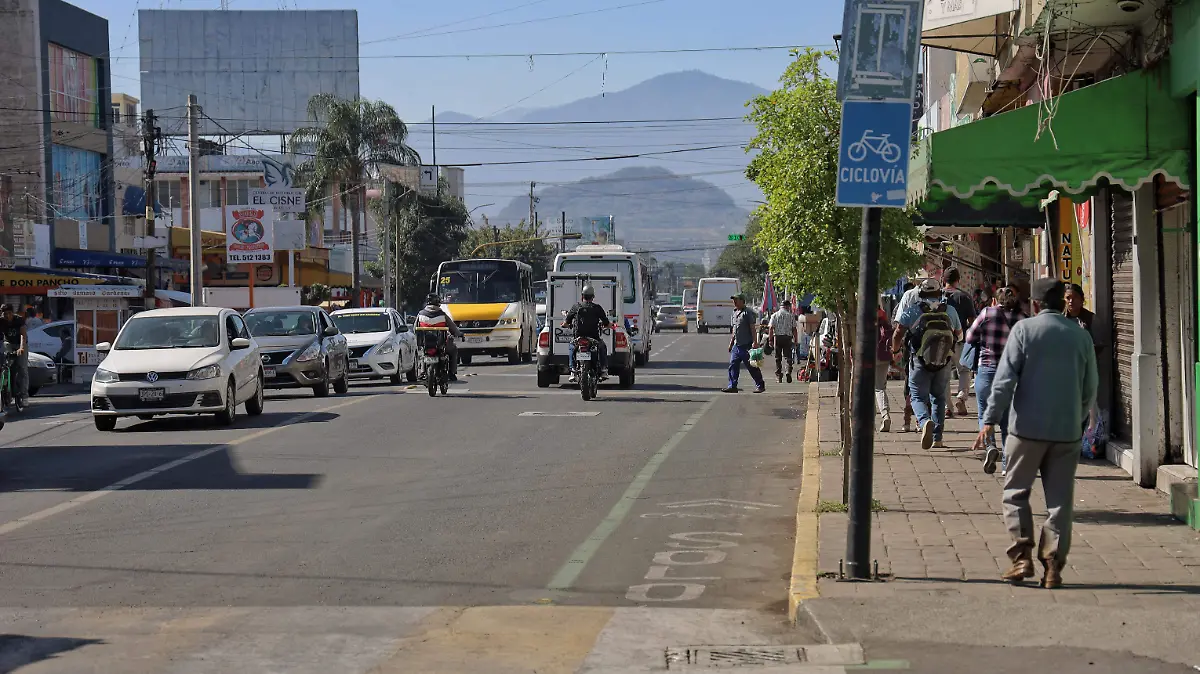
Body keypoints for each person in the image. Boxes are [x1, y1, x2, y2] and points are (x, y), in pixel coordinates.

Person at [974, 278, 1098, 588]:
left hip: (1026, 430)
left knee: (1015, 493)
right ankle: (1053, 567)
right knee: (1060, 502)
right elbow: (1090, 388)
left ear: (1037, 304)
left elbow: (1003, 382)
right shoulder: (1080, 337)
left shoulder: (1024, 331)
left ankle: (1022, 558)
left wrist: (989, 419)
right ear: (1063, 302)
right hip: (1066, 433)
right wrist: (1077, 419)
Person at [891, 278, 962, 449]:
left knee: (916, 396)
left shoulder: (913, 310)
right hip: (943, 360)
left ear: (920, 293)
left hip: (919, 360)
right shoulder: (950, 310)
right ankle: (938, 438)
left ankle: (924, 421)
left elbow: (897, 334)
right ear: (939, 293)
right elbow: (959, 336)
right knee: (938, 397)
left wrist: (895, 352)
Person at [965, 285, 1027, 475]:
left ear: (995, 300)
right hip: (1011, 374)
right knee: (1008, 421)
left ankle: (991, 447)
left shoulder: (987, 313)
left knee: (985, 413)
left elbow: (969, 338)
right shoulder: (1022, 318)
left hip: (987, 371)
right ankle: (1007, 466)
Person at [942, 268, 978, 418]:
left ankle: (946, 406)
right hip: (960, 341)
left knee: (943, 374)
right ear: (958, 280)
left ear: (944, 280)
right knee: (963, 370)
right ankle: (961, 398)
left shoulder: (938, 296)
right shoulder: (964, 297)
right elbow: (972, 321)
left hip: (941, 342)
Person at [562, 284, 611, 384]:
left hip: (579, 338)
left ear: (582, 296)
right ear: (593, 297)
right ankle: (603, 370)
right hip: (594, 338)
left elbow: (566, 323)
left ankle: (572, 371)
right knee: (602, 347)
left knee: (571, 346)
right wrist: (610, 325)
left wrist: (565, 325)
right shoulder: (597, 308)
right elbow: (606, 323)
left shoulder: (576, 307)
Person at [723, 293, 764, 394]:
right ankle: (732, 386)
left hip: (747, 345)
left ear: (742, 301)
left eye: (736, 300)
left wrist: (755, 342)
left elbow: (752, 328)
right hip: (737, 346)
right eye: (733, 300)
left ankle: (760, 385)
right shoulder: (734, 313)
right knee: (733, 365)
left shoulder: (747, 313)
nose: (734, 302)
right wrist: (731, 343)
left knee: (752, 367)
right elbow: (734, 330)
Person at [416, 293, 462, 381]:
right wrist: (459, 334)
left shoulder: (420, 314)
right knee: (453, 350)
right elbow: (453, 328)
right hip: (441, 345)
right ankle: (452, 373)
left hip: (426, 344)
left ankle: (422, 372)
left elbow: (415, 329)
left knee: (423, 353)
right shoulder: (442, 315)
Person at [0, 304, 28, 405]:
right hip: (9, 343)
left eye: (9, 313)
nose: (7, 316)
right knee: (7, 367)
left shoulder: (19, 320)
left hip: (20, 343)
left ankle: (24, 396)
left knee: (22, 368)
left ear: (13, 312)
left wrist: (21, 348)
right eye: (5, 314)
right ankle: (7, 392)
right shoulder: (1, 321)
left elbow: (22, 335)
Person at [768, 299, 798, 383]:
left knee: (778, 358)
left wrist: (770, 340)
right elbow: (794, 329)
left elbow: (771, 328)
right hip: (787, 338)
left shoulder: (774, 315)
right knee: (788, 356)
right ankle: (788, 371)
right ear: (787, 307)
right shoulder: (791, 316)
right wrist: (796, 340)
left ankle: (779, 376)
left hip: (777, 337)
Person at [875, 303, 894, 432]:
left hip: (868, 357)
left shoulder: (862, 319)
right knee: (880, 387)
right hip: (884, 356)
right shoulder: (884, 320)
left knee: (865, 388)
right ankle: (885, 414)